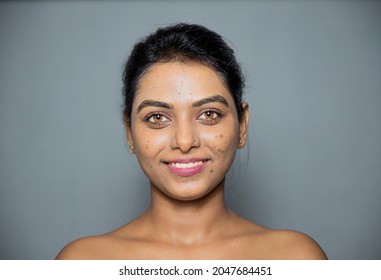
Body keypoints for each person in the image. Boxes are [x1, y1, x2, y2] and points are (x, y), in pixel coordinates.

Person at [56, 23, 327, 259]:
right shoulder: (82, 263)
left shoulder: (296, 259)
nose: (184, 141)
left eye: (209, 114)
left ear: (242, 125)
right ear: (129, 132)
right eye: (158, 117)